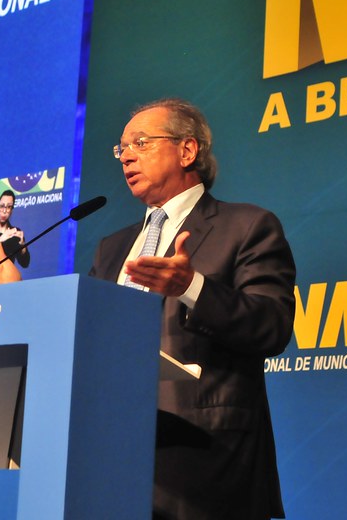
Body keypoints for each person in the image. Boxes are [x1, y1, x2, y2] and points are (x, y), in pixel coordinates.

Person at [89, 97, 295, 519]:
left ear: (188, 150)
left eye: (142, 142)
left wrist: (192, 286)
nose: (126, 155)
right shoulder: (111, 249)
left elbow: (271, 325)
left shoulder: (248, 227)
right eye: (122, 147)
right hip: (110, 455)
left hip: (204, 461)